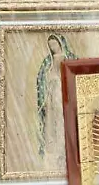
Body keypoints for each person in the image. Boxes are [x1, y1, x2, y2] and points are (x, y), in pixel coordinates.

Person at [35, 33, 76, 167]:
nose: (53, 47)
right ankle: (55, 152)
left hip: (66, 95)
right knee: (54, 122)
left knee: (66, 121)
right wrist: (48, 83)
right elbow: (42, 79)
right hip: (53, 96)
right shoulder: (47, 62)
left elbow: (77, 74)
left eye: (54, 44)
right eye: (50, 45)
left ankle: (67, 149)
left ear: (60, 43)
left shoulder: (70, 58)